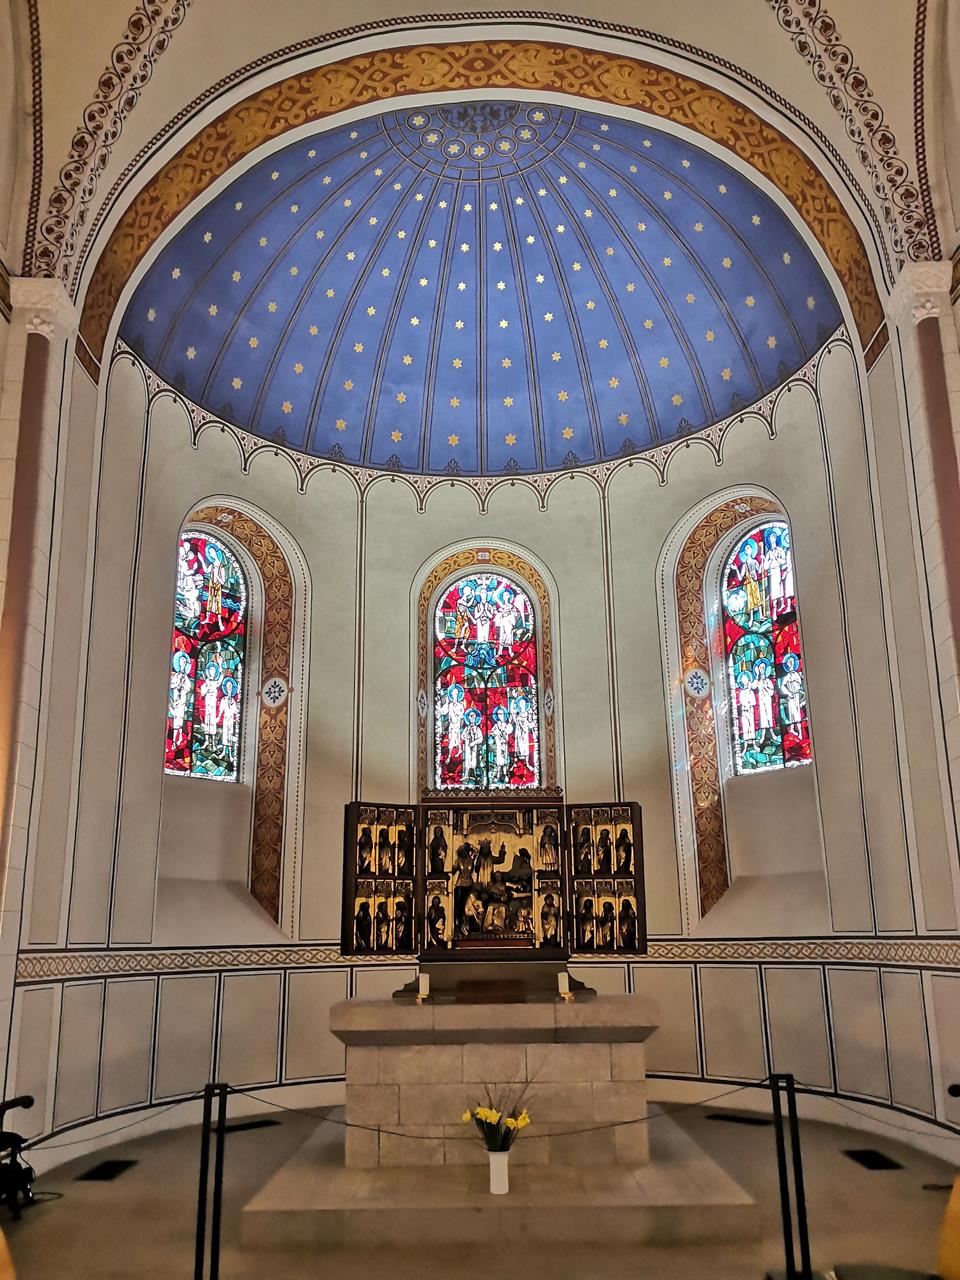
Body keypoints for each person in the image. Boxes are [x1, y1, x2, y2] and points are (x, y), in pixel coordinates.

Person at [737, 538, 765, 625]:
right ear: (745, 552)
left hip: (755, 582)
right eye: (746, 549)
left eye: (749, 548)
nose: (748, 550)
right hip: (749, 584)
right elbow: (740, 577)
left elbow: (759, 571)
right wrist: (736, 570)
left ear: (752, 550)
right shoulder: (744, 564)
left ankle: (761, 615)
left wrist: (762, 561)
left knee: (757, 597)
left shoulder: (755, 561)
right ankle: (751, 619)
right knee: (750, 600)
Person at [763, 528, 789, 619]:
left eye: (774, 537)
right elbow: (765, 566)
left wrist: (777, 558)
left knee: (780, 588)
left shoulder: (780, 550)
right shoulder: (769, 553)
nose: (773, 539)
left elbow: (784, 561)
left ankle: (783, 604)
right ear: (769, 540)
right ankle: (774, 611)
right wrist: (769, 561)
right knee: (774, 591)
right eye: (771, 537)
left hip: (778, 571)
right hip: (772, 573)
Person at [169, 653, 192, 750]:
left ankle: (179, 739)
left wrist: (183, 686)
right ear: (178, 663)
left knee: (180, 720)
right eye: (181, 661)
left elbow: (188, 688)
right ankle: (175, 740)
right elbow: (171, 685)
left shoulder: (186, 677)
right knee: (175, 719)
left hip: (182, 701)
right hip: (175, 700)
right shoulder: (176, 676)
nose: (183, 663)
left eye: (184, 662)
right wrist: (177, 684)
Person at [199, 660, 222, 753]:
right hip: (207, 705)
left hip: (213, 706)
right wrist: (207, 686)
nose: (211, 672)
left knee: (212, 723)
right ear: (208, 672)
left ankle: (213, 743)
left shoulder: (215, 682)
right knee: (207, 722)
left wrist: (220, 666)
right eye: (210, 670)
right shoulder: (206, 683)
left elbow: (220, 680)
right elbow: (202, 693)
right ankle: (206, 741)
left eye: (213, 670)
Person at [780, 653, 805, 730]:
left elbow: (799, 685)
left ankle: (799, 730)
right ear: (787, 664)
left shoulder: (796, 674)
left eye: (791, 662)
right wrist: (788, 692)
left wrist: (793, 682)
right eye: (788, 662)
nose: (790, 663)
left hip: (796, 695)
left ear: (794, 663)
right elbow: (782, 686)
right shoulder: (787, 676)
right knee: (791, 713)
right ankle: (792, 729)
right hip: (790, 696)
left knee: (797, 712)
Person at [510, 695, 536, 769]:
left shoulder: (528, 713)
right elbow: (513, 714)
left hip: (525, 733)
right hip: (518, 733)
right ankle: (515, 763)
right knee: (518, 746)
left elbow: (530, 723)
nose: (522, 705)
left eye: (523, 703)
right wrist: (513, 701)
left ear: (525, 704)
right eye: (521, 704)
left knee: (525, 747)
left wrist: (531, 716)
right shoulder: (517, 714)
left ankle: (527, 763)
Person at [219, 676, 240, 765]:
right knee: (225, 735)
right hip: (225, 719)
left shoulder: (234, 701)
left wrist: (238, 708)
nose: (229, 688)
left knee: (230, 735)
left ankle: (230, 754)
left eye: (230, 686)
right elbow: (221, 710)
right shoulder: (223, 699)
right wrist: (218, 717)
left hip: (231, 720)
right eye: (228, 686)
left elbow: (236, 711)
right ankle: (224, 751)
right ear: (225, 688)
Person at [753, 661, 776, 741]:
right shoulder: (757, 681)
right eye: (761, 668)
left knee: (769, 716)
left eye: (764, 667)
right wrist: (756, 677)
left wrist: (765, 687)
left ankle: (772, 732)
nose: (762, 669)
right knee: (762, 717)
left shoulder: (768, 681)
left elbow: (772, 692)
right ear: (758, 669)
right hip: (761, 701)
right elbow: (753, 687)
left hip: (768, 700)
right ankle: (763, 735)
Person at [493, 587, 521, 652]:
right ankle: (500, 651)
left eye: (506, 594)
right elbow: (498, 614)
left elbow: (515, 614)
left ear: (509, 596)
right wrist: (501, 613)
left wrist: (510, 613)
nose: (505, 596)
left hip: (509, 622)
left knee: (509, 635)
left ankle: (510, 651)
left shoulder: (512, 606)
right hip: (503, 622)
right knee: (502, 635)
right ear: (502, 597)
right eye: (504, 595)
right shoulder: (501, 606)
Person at [490, 706, 513, 783]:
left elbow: (509, 730)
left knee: (505, 759)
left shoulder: (505, 724)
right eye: (498, 714)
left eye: (501, 714)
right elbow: (492, 732)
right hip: (498, 745)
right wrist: (496, 733)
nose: (500, 716)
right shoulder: (496, 725)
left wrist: (510, 723)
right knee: (499, 760)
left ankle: (505, 774)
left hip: (504, 744)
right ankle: (498, 774)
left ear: (504, 714)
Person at [204, 544, 227, 620]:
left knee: (218, 602)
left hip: (217, 585)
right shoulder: (212, 565)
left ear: (216, 552)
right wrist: (201, 560)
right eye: (209, 553)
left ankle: (220, 621)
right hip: (211, 584)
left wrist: (217, 576)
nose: (211, 554)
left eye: (212, 552)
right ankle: (207, 618)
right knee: (210, 600)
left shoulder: (221, 566)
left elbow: (223, 582)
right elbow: (206, 571)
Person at [462, 710, 483, 783]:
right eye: (470, 716)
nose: (472, 718)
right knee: (467, 759)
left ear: (476, 718)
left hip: (474, 747)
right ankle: (466, 775)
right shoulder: (467, 728)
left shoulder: (477, 729)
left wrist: (474, 743)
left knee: (474, 759)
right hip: (467, 747)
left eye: (473, 716)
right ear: (468, 718)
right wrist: (466, 736)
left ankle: (474, 773)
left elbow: (480, 738)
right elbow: (462, 736)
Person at [737, 672, 757, 744]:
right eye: (744, 680)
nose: (746, 682)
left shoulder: (751, 692)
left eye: (746, 680)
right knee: (745, 726)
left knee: (752, 726)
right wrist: (746, 704)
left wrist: (749, 703)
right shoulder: (742, 692)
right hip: (744, 711)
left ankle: (754, 743)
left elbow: (754, 702)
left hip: (750, 710)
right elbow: (742, 701)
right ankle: (745, 745)